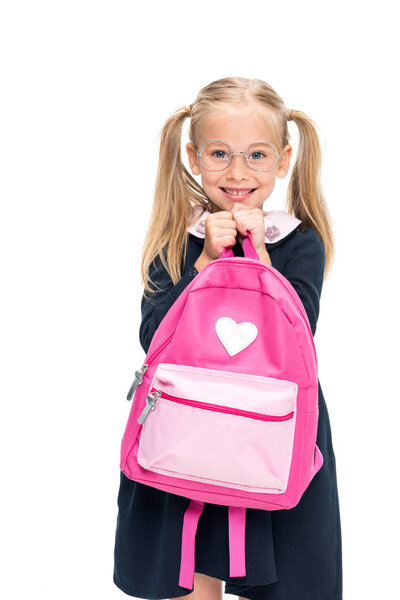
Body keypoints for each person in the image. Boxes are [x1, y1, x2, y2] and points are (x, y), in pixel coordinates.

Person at [113, 76, 342, 600]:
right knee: (186, 581)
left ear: (283, 161)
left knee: (285, 579)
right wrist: (203, 264)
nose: (238, 172)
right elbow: (153, 335)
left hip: (272, 429)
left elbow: (297, 331)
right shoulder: (177, 239)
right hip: (183, 427)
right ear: (194, 157)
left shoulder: (298, 243)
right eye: (219, 153)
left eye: (257, 155)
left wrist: (257, 257)